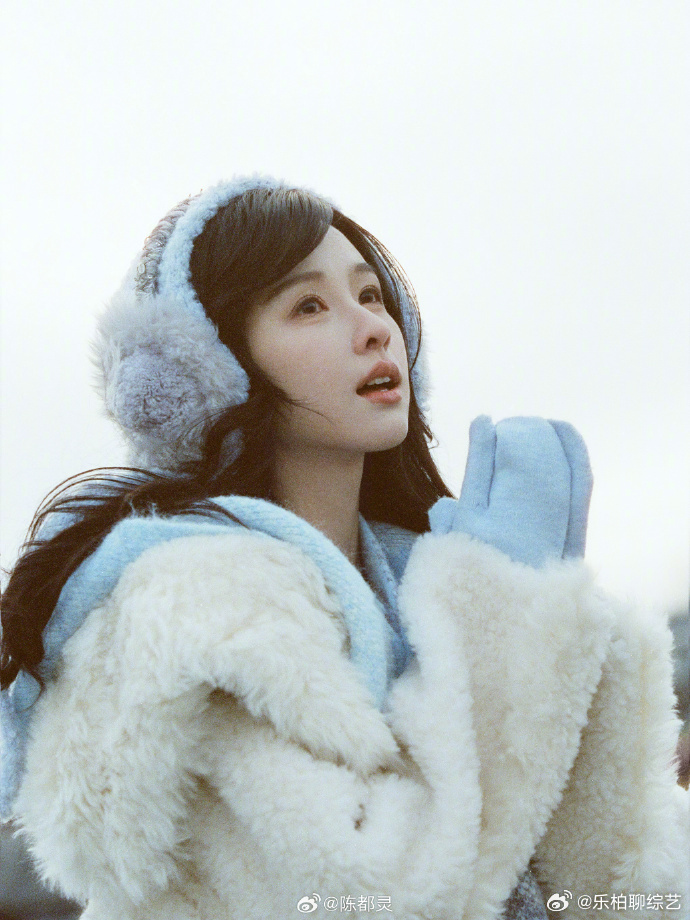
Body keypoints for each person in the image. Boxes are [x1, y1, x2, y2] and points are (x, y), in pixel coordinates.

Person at [0, 177, 687, 920]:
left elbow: (626, 883)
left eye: (371, 295)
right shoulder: (191, 622)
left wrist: (561, 634)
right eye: (309, 306)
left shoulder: (425, 585)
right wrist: (510, 622)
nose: (372, 329)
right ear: (210, 370)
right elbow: (369, 899)